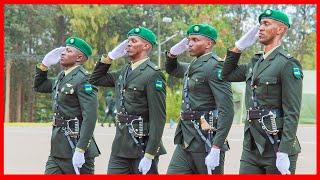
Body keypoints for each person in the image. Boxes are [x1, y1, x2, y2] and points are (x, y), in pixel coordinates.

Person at [222, 9, 302, 174]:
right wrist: (238, 47)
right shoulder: (255, 63)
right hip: (252, 145)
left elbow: (292, 112)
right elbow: (226, 74)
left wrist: (284, 151)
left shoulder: (287, 64)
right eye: (260, 24)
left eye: (266, 23)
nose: (260, 28)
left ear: (280, 29)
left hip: (276, 144)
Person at [89, 27, 166, 174]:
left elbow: (158, 118)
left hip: (142, 145)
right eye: (128, 41)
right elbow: (95, 79)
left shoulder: (153, 74)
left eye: (133, 41)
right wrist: (109, 57)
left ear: (146, 46)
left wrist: (150, 155)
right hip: (120, 146)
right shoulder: (124, 71)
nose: (128, 44)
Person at [165, 24, 234, 174]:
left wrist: (216, 147)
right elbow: (172, 69)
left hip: (206, 140)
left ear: (209, 44)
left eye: (195, 40)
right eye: (189, 40)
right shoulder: (192, 66)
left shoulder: (215, 67)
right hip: (186, 139)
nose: (190, 43)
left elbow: (226, 110)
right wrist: (172, 54)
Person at [34, 37, 100, 174]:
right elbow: (40, 86)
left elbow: (90, 117)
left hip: (76, 147)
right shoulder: (61, 77)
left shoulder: (85, 79)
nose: (62, 53)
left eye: (68, 51)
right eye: (63, 50)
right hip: (58, 149)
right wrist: (44, 65)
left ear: (79, 57)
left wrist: (80, 149)